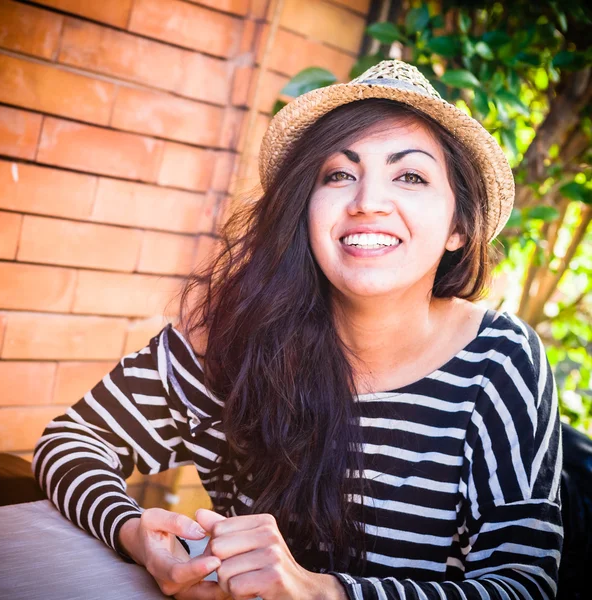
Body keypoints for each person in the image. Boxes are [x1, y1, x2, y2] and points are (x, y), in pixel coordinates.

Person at [33, 60, 563, 600]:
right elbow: (71, 442)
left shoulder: (501, 360)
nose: (367, 202)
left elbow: (523, 585)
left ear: (458, 227)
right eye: (338, 174)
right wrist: (134, 534)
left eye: (410, 176)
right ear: (304, 210)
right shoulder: (235, 338)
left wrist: (322, 592)